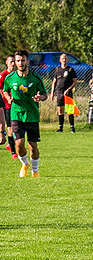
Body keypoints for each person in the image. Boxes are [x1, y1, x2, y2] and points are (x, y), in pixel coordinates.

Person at [1, 50, 47, 178]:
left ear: (27, 61)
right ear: (15, 62)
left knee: (32, 146)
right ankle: (25, 164)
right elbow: (5, 91)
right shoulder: (10, 78)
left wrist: (40, 98)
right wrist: (8, 98)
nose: (20, 63)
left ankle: (35, 170)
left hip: (32, 115)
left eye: (23, 60)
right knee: (19, 143)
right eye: (18, 61)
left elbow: (44, 95)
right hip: (16, 114)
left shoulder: (35, 78)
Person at [51, 53, 78, 133]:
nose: (64, 60)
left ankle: (72, 128)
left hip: (68, 93)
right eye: (62, 58)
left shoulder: (70, 69)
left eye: (65, 58)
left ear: (67, 60)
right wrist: (52, 93)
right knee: (60, 110)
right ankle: (60, 128)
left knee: (69, 111)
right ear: (60, 60)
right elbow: (54, 82)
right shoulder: (57, 70)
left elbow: (75, 81)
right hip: (59, 92)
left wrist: (69, 89)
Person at [0, 55, 13, 157]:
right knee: (10, 127)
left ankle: (11, 145)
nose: (13, 64)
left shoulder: (17, 75)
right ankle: (13, 150)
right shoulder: (3, 75)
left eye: (14, 62)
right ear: (6, 63)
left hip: (16, 105)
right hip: (5, 105)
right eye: (11, 62)